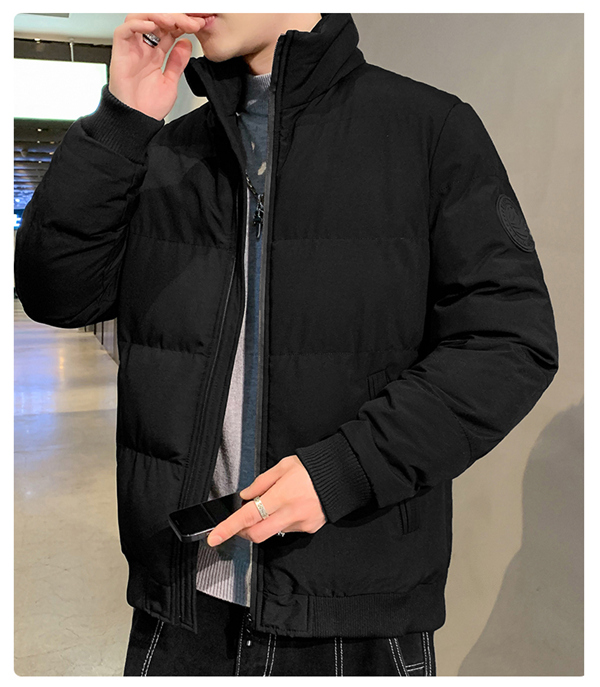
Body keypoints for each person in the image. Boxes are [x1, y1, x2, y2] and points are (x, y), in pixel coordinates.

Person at [13, 12, 559, 677]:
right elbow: (58, 294)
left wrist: (345, 469)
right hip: (184, 600)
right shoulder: (168, 150)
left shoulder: (427, 130)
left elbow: (509, 341)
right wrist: (122, 120)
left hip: (351, 606)